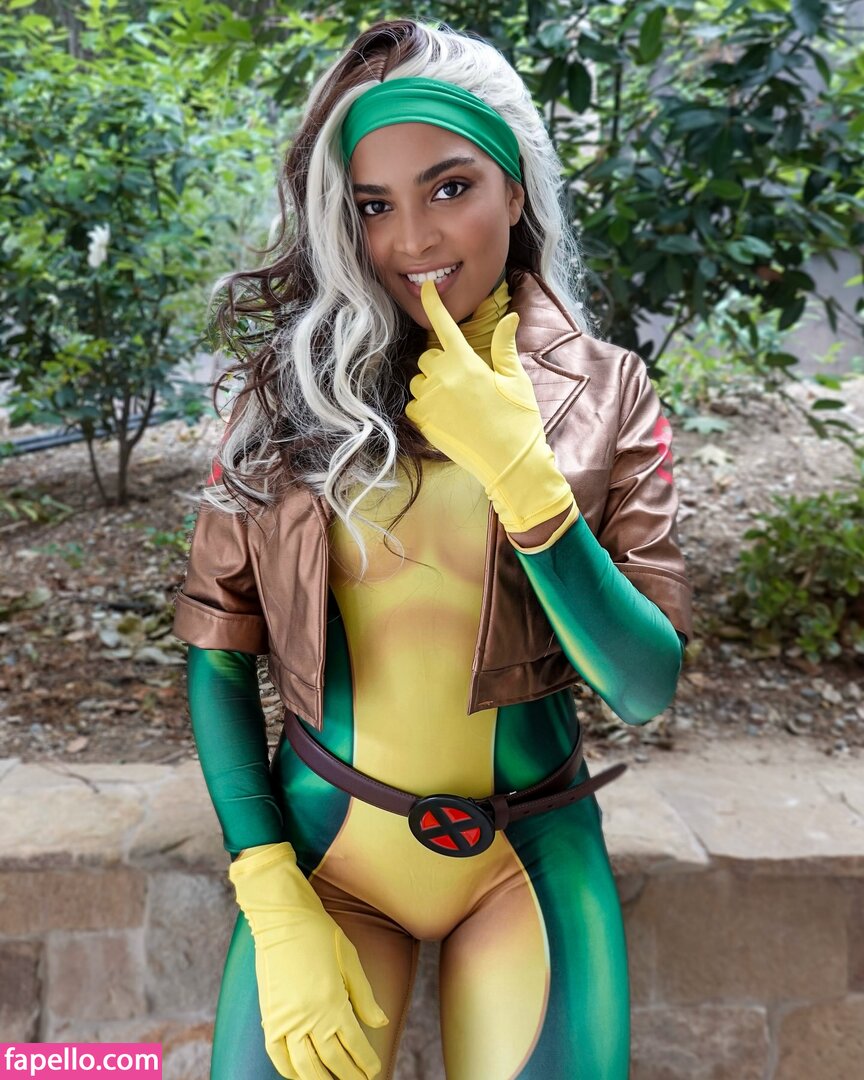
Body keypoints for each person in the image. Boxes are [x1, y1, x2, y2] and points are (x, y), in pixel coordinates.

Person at [172, 18, 692, 1080]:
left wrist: (525, 481)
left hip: (526, 854)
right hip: (329, 852)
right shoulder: (285, 394)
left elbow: (644, 684)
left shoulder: (608, 393)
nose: (412, 239)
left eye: (450, 187)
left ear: (516, 185)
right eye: (374, 205)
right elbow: (218, 654)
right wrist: (270, 889)